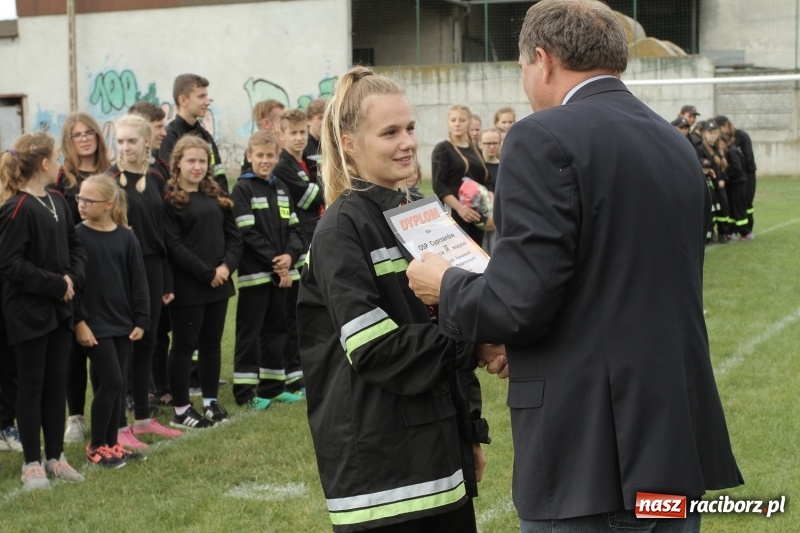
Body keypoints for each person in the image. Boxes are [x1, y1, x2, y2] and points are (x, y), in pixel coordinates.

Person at [407, 2, 743, 532]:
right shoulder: (672, 142)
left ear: (542, 59)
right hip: (672, 441)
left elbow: (518, 303)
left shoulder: (543, 136)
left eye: (520, 67)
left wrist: (444, 284)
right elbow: (613, 288)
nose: (524, 82)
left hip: (595, 452)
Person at [296, 66, 497, 532]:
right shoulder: (340, 230)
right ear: (348, 143)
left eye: (409, 128)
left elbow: (460, 311)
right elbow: (376, 350)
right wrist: (477, 342)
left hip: (441, 455)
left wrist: (470, 430)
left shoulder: (423, 212)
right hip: (382, 481)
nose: (407, 142)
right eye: (389, 132)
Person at [0, 133, 87, 489]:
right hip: (28, 312)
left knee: (56, 385)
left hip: (60, 311)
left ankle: (55, 457)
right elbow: (10, 263)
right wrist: (55, 284)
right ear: (45, 163)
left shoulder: (57, 201)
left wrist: (72, 279)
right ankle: (32, 463)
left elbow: (76, 245)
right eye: (56, 157)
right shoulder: (15, 208)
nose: (60, 163)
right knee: (31, 386)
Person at [111, 114, 180, 445]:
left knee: (148, 342)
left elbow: (162, 231)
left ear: (147, 142)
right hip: (122, 270)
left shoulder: (156, 176)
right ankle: (119, 425)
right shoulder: (111, 179)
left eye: (132, 141)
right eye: (121, 141)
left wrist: (166, 278)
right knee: (125, 343)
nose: (125, 147)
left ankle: (142, 418)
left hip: (152, 268)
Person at [164, 136, 242, 428]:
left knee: (211, 343)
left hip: (219, 282)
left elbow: (234, 236)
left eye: (202, 161)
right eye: (191, 161)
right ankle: (182, 409)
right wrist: (207, 273)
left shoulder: (216, 194)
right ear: (178, 164)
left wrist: (225, 267)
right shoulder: (171, 199)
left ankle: (210, 401)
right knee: (184, 345)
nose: (197, 167)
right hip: (188, 286)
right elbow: (173, 246)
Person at [74, 175, 150, 467]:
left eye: (88, 200)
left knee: (117, 384)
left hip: (123, 323)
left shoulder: (126, 237)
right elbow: (75, 286)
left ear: (108, 204)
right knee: (112, 381)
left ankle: (113, 444)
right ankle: (96, 446)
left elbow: (138, 281)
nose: (81, 204)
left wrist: (142, 319)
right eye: (79, 198)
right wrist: (79, 321)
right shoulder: (77, 236)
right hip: (94, 325)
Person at [231, 130, 305, 408]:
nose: (264, 160)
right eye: (259, 155)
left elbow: (295, 229)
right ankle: (245, 393)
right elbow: (247, 234)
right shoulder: (242, 189)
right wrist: (277, 262)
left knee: (279, 330)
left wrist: (290, 256)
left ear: (276, 157)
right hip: (257, 276)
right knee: (251, 333)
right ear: (249, 156)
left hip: (283, 273)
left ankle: (273, 387)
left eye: (269, 156)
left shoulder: (281, 188)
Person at [274, 108, 324, 394]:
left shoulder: (303, 161)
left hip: (307, 240)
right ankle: (293, 371)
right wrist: (326, 184)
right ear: (281, 135)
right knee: (293, 314)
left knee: (304, 314)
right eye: (292, 133)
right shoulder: (283, 166)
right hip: (297, 242)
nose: (298, 138)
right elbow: (312, 197)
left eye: (302, 132)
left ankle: (300, 368)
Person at [431, 104, 491, 246]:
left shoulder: (475, 150)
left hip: (476, 212)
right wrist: (460, 208)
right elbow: (439, 185)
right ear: (448, 123)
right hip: (456, 212)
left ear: (469, 122)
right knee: (458, 253)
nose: (457, 124)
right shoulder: (443, 149)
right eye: (453, 120)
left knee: (478, 253)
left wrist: (490, 199)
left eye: (462, 120)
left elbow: (485, 180)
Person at [159, 74, 228, 193]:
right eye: (201, 97)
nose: (207, 102)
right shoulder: (169, 137)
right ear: (183, 100)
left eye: (206, 96)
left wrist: (224, 203)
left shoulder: (205, 136)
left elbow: (219, 175)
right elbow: (169, 182)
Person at [716, 115, 756, 238]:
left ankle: (747, 230)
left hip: (746, 175)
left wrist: (740, 174)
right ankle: (733, 230)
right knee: (733, 204)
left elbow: (748, 158)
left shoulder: (742, 136)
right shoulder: (723, 141)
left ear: (726, 126)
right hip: (733, 178)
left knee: (746, 202)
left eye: (719, 129)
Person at [241, 99, 286, 174]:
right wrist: (282, 148)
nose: (287, 124)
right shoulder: (254, 151)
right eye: (282, 119)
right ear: (266, 124)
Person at [478, 128, 501, 254]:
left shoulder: (505, 166)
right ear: (480, 144)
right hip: (478, 221)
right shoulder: (474, 167)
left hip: (500, 222)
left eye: (495, 143)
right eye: (487, 143)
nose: (491, 146)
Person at [304, 98, 327, 182]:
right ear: (308, 120)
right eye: (320, 118)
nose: (325, 122)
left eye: (327, 117)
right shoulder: (302, 146)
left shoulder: (333, 144)